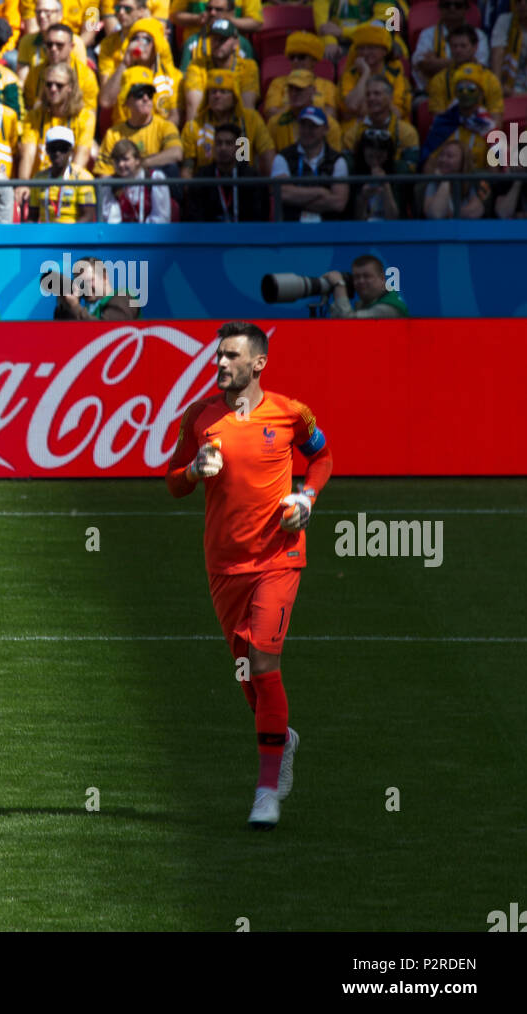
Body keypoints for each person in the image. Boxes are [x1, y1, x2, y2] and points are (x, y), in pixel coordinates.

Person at [166, 320, 333, 828]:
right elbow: (173, 484)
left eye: (231, 356)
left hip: (279, 557)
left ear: (258, 363)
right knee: (248, 678)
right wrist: (193, 470)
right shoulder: (198, 417)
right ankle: (282, 737)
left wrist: (306, 497)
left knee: (263, 663)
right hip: (223, 564)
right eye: (218, 356)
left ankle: (266, 793)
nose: (220, 364)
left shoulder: (290, 413)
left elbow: (322, 456)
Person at [271, 107, 350, 222]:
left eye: (313, 126)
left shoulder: (337, 160)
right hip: (292, 229)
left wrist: (296, 199)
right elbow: (281, 192)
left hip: (328, 229)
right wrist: (321, 192)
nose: (307, 131)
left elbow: (339, 202)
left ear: (325, 129)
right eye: (303, 125)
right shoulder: (283, 157)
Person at [27, 124, 97, 222]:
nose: (57, 153)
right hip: (45, 235)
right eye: (53, 148)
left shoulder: (83, 178)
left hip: (73, 235)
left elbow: (88, 216)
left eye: (63, 148)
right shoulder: (38, 178)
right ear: (47, 150)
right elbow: (32, 217)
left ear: (71, 151)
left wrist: (67, 235)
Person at [100, 137, 170, 223]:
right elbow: (109, 220)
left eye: (125, 159)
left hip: (150, 233)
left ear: (137, 160)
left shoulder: (155, 178)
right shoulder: (110, 184)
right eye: (117, 160)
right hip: (120, 234)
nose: (120, 164)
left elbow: (161, 218)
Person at [52, 254, 142, 320]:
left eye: (88, 281)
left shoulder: (124, 297)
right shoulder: (87, 310)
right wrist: (65, 306)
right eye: (81, 284)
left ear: (104, 277)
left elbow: (106, 334)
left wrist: (75, 306)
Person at [321, 254, 410, 317]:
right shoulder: (370, 302)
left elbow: (348, 325)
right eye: (356, 277)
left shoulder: (388, 308)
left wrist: (339, 285)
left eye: (367, 276)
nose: (361, 281)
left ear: (382, 278)